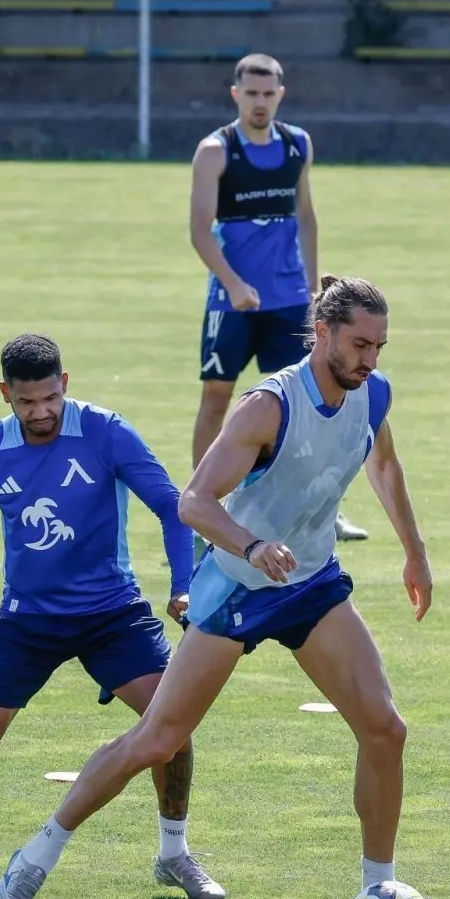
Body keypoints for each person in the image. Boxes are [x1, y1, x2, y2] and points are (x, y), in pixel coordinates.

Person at [0, 275, 433, 899]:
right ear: (323, 334)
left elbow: (384, 465)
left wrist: (414, 551)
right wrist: (253, 547)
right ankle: (38, 852)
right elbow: (193, 501)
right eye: (360, 345)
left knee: (385, 730)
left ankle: (380, 897)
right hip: (238, 586)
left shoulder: (373, 394)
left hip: (310, 583)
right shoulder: (268, 407)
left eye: (379, 347)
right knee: (158, 739)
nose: (370, 359)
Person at [0, 334, 225, 899]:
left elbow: (172, 506)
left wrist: (183, 586)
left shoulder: (107, 432)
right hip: (26, 621)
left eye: (50, 398)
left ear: (64, 384)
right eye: (26, 402)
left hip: (112, 612)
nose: (41, 412)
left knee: (172, 730)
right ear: (5, 395)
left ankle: (174, 855)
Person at [190, 52, 368, 543]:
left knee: (309, 405)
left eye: (268, 94)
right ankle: (205, 510)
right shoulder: (216, 151)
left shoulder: (297, 145)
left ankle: (321, 512)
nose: (260, 102)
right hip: (231, 304)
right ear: (236, 94)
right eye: (251, 93)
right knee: (216, 398)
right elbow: (200, 231)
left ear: (280, 95)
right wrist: (233, 283)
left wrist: (315, 289)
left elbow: (306, 216)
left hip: (289, 303)